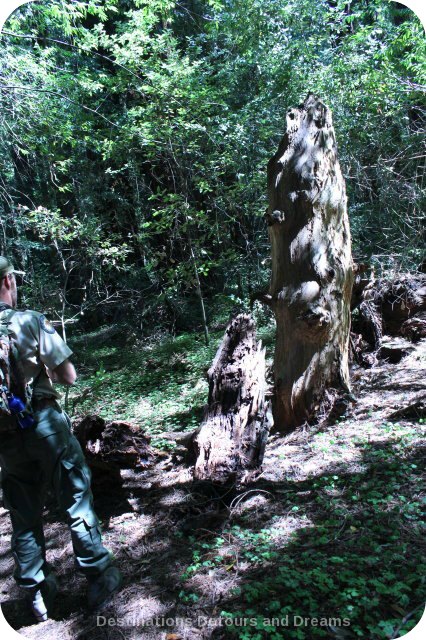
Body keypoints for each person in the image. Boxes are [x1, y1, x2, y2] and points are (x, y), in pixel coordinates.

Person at [0, 256, 122, 622]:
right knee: (74, 494)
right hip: (43, 424)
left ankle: (37, 594)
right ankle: (99, 576)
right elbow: (68, 376)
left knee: (22, 513)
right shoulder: (29, 321)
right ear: (7, 281)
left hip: (4, 437)